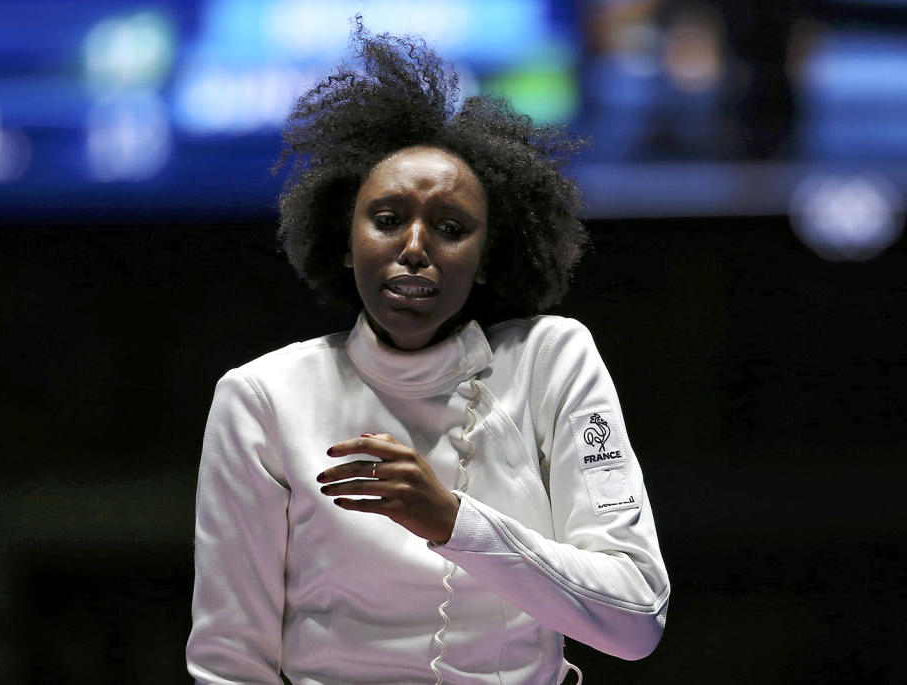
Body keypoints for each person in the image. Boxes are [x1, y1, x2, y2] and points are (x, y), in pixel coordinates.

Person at [187, 22, 669, 685]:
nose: (415, 245)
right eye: (386, 219)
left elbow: (636, 617)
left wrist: (451, 520)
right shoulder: (262, 396)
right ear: (344, 238)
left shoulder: (554, 359)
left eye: (450, 227)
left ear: (489, 255)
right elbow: (228, 663)